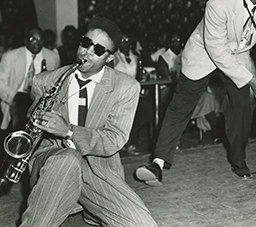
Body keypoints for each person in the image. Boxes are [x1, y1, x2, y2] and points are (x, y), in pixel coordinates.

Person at [135, 0, 256, 185]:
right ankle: (157, 163)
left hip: (237, 55)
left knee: (241, 106)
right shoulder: (218, 4)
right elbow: (217, 50)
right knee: (181, 107)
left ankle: (239, 162)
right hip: (205, 53)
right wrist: (251, 79)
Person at [18, 17, 157, 227]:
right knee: (68, 159)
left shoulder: (126, 87)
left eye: (98, 50)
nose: (87, 52)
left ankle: (86, 211)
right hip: (55, 163)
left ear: (110, 58)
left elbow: (114, 138)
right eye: (86, 43)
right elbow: (32, 130)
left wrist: (68, 131)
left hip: (98, 170)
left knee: (143, 224)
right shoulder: (44, 81)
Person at [0, 25, 60, 132]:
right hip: (16, 98)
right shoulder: (10, 56)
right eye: (32, 39)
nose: (37, 42)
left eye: (40, 39)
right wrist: (14, 96)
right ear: (25, 41)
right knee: (18, 127)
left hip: (40, 98)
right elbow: (1, 82)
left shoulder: (53, 57)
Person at [114, 33, 153, 156]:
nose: (126, 43)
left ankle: (128, 138)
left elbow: (140, 75)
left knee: (149, 107)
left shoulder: (136, 57)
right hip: (117, 94)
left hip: (133, 93)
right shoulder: (113, 57)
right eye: (123, 40)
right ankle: (125, 140)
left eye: (128, 40)